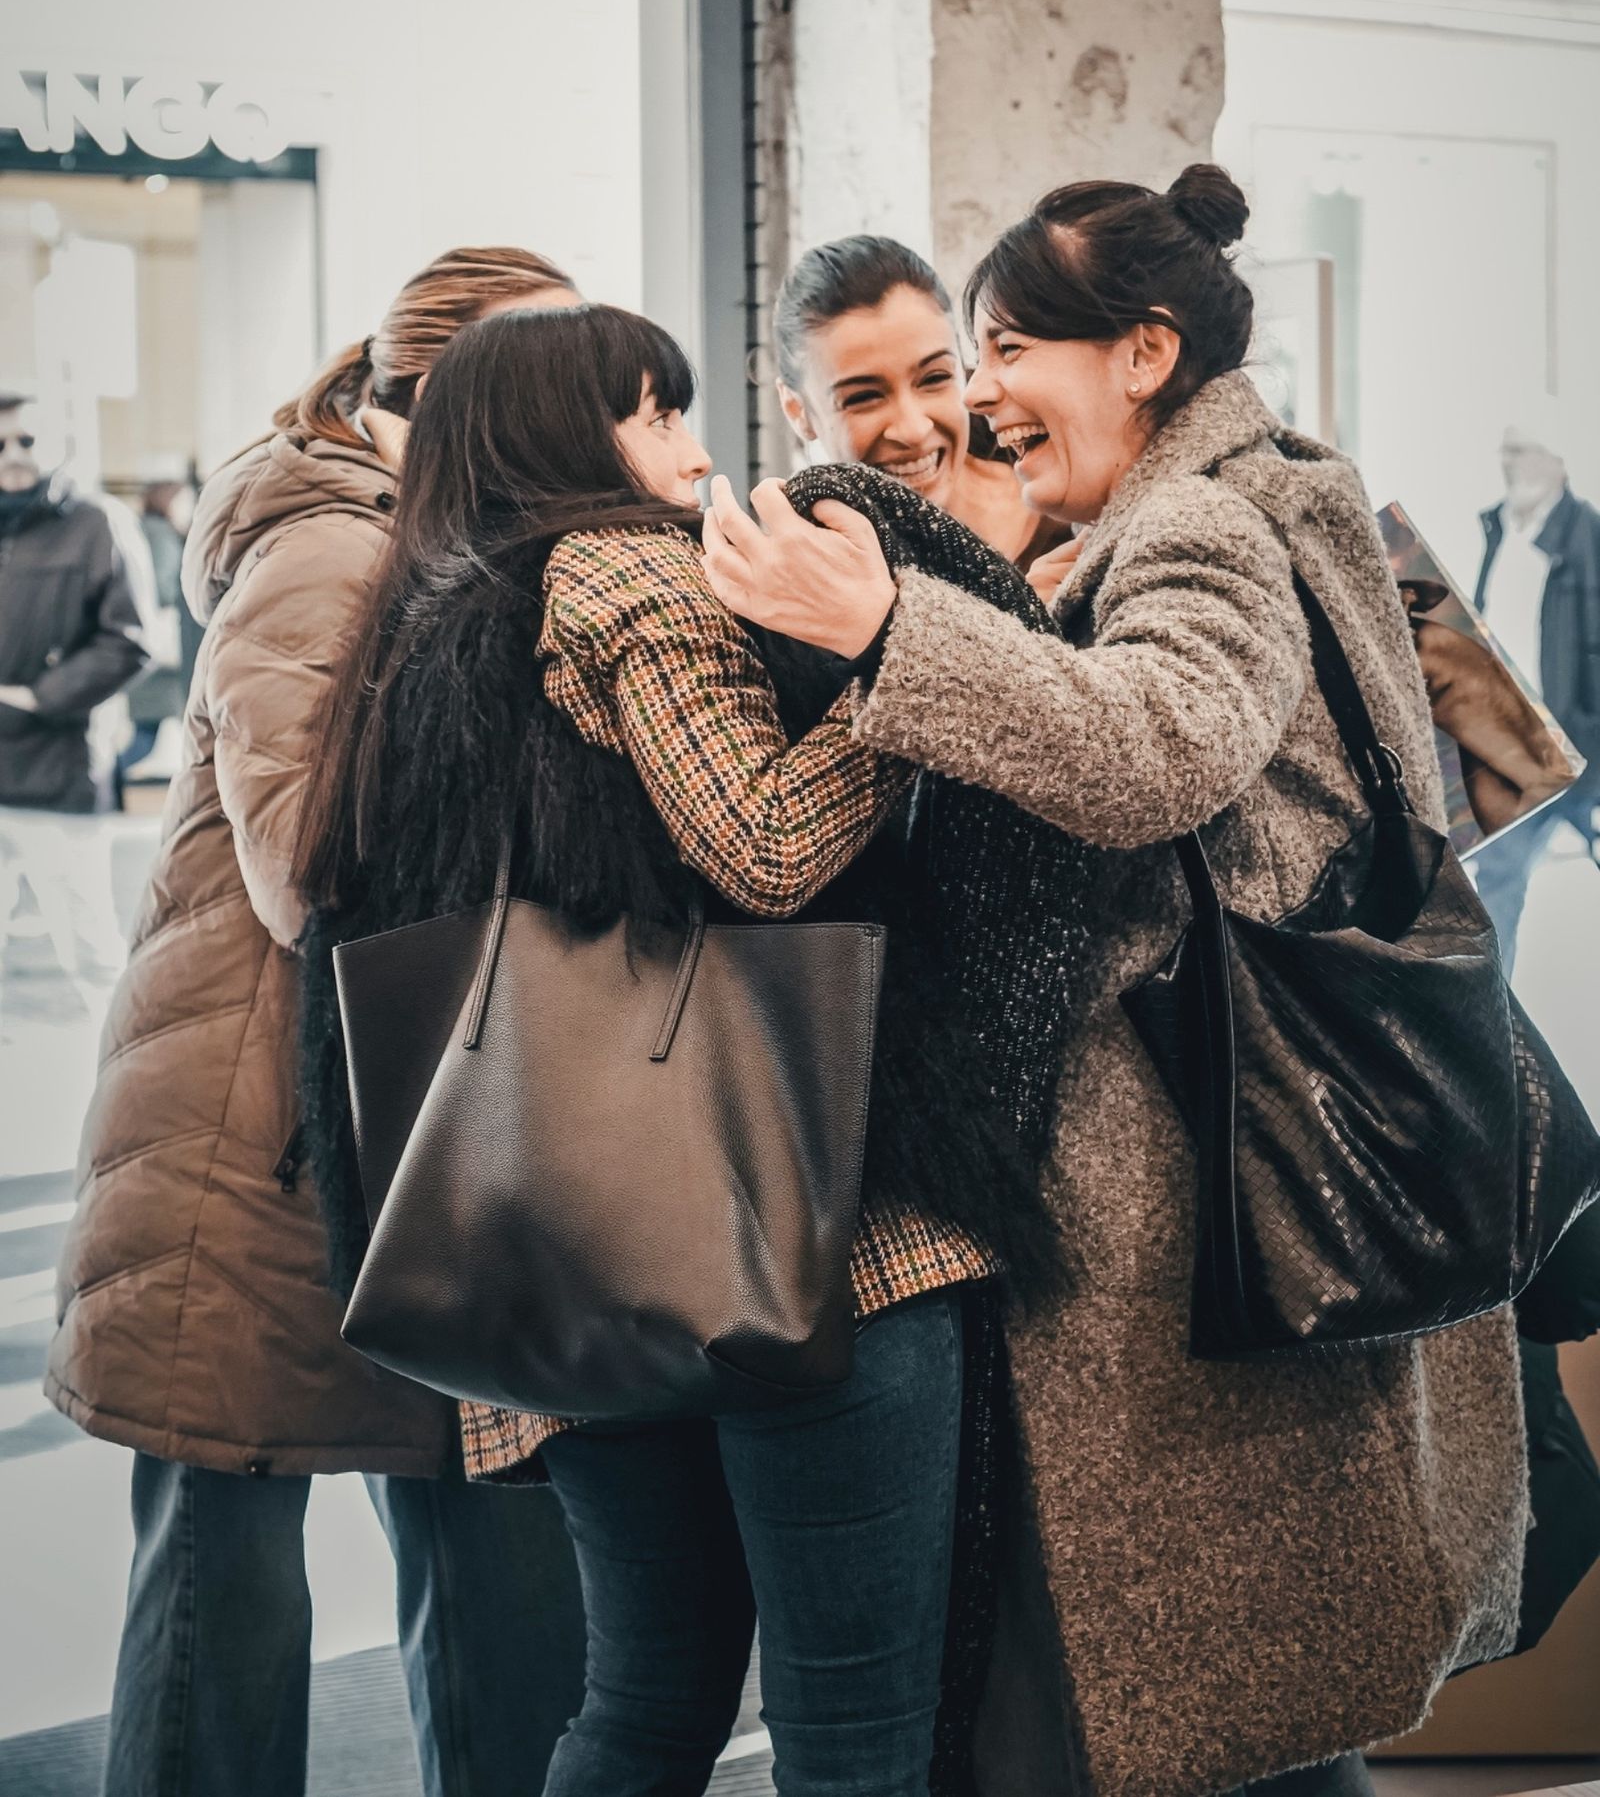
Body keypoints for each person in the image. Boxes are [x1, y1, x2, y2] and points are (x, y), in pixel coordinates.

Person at [703, 165, 1528, 1797]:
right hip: (1266, 1152)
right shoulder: (1287, 487)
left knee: (1210, 1704)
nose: (982, 390)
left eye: (1002, 346)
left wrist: (885, 629)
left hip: (1201, 1176)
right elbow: (1498, 768)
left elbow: (1156, 748)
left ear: (1142, 353)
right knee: (1259, 1710)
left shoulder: (1202, 522)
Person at [292, 301, 1063, 1797]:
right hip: (797, 1230)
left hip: (562, 1252)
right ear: (563, 436)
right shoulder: (621, 570)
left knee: (645, 1703)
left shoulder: (418, 626)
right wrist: (908, 670)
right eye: (656, 415)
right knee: (855, 1732)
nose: (696, 453)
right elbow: (766, 843)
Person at [45, 249, 588, 1797]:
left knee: (492, 1551)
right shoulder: (335, 556)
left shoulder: (442, 546)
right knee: (223, 1598)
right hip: (254, 1151)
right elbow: (306, 866)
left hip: (390, 1134)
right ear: (435, 395)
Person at [773, 232, 1067, 581]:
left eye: (934, 378)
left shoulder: (1070, 515)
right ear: (798, 411)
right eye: (863, 398)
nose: (914, 430)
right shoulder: (802, 584)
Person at [0, 390, 147, 1005]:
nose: (12, 456)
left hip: (54, 772)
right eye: (0, 444)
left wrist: (41, 697)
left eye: (26, 441)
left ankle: (128, 1090)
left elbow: (128, 640)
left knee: (91, 953)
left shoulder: (96, 523)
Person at [1471, 413, 1600, 972]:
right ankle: (1496, 1026)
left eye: (1521, 450)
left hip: (1577, 744)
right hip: (1513, 746)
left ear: (1556, 459)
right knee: (1498, 880)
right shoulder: (1498, 529)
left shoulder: (1587, 535)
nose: (1508, 462)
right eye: (1505, 450)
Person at [114, 464, 202, 796]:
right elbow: (166, 589)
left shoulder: (147, 530)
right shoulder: (160, 535)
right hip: (166, 655)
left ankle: (107, 782)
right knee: (148, 737)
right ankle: (105, 782)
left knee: (146, 735)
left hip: (155, 654)